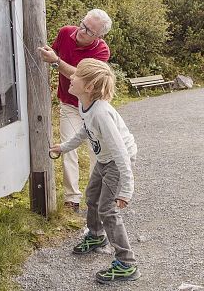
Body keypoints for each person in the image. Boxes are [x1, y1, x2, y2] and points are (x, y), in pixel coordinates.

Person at [49, 58, 140, 284]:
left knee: (107, 209)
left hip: (118, 162)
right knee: (92, 197)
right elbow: (84, 131)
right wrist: (64, 147)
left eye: (77, 75)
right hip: (105, 159)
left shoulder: (101, 113)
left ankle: (126, 263)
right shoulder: (84, 104)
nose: (71, 76)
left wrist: (126, 189)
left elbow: (121, 152)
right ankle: (97, 236)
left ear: (89, 87)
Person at [38, 9, 111, 211]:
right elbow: (49, 56)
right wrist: (51, 59)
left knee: (97, 150)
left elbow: (81, 76)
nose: (81, 30)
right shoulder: (65, 33)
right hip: (69, 103)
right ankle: (72, 198)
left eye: (88, 30)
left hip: (93, 106)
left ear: (98, 36)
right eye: (83, 24)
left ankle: (96, 195)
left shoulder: (102, 51)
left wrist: (56, 62)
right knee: (68, 147)